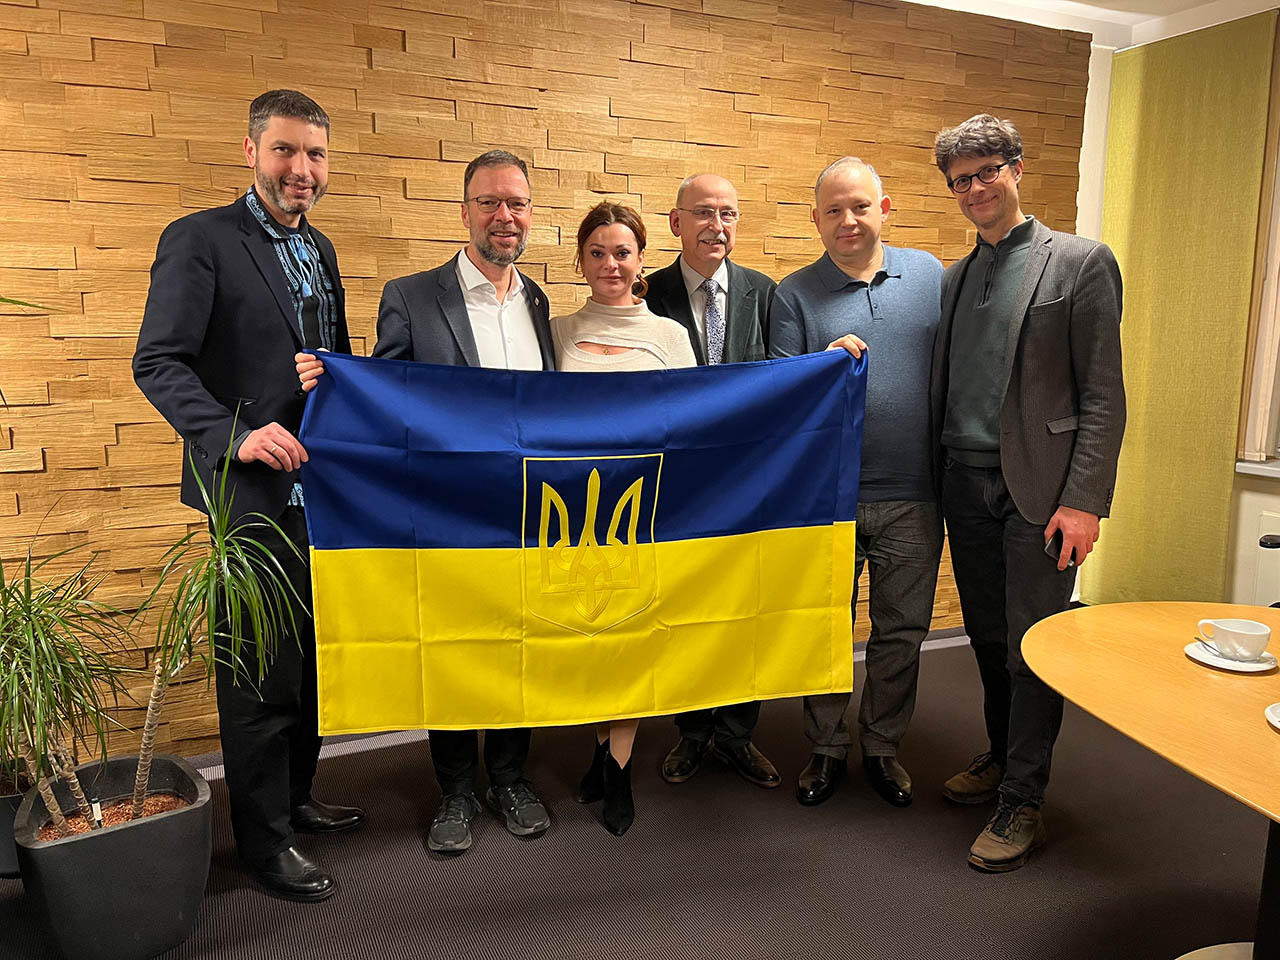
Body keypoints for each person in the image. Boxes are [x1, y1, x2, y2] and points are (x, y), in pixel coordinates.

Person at [133, 89, 364, 903]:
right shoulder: (199, 240)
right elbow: (159, 362)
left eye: (316, 155)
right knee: (261, 667)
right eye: (286, 152)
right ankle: (263, 843)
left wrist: (334, 372)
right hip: (246, 492)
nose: (302, 170)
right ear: (251, 151)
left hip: (321, 487)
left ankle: (296, 800)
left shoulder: (322, 248)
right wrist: (236, 434)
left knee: (308, 656)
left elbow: (320, 353)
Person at [297, 150, 555, 857]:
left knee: (515, 649)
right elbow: (386, 396)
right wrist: (334, 381)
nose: (505, 217)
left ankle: (508, 779)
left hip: (523, 513)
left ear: (531, 213)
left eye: (517, 204)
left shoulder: (539, 301)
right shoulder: (412, 295)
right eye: (489, 203)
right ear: (465, 210)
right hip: (444, 515)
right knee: (449, 653)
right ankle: (455, 792)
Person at [931, 115, 1125, 872]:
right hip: (963, 483)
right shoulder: (955, 278)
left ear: (1016, 169)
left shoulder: (1079, 263)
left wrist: (1086, 500)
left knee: (1032, 646)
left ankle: (1024, 799)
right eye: (960, 180)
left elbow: (1104, 395)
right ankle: (1000, 755)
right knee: (985, 637)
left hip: (1043, 495)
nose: (975, 189)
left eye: (986, 172)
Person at [769, 157, 943, 810]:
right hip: (828, 499)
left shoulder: (931, 278)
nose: (848, 219)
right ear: (816, 219)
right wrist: (821, 364)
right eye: (834, 209)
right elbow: (785, 395)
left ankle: (883, 747)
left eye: (860, 206)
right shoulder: (793, 294)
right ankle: (825, 748)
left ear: (885, 208)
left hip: (914, 495)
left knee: (902, 631)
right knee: (824, 627)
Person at [552, 200, 696, 835]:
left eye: (622, 252)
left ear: (641, 260)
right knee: (590, 632)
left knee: (634, 636)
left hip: (646, 509)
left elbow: (693, 421)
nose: (611, 264)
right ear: (582, 260)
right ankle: (597, 747)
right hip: (576, 512)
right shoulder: (554, 331)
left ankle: (619, 765)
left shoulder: (670, 335)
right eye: (597, 253)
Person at [642, 174, 781, 791]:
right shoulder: (648, 293)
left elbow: (785, 382)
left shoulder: (765, 294)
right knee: (688, 614)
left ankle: (738, 735)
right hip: (676, 489)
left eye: (728, 214)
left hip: (749, 488)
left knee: (745, 612)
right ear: (676, 223)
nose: (716, 226)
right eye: (702, 214)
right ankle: (692, 734)